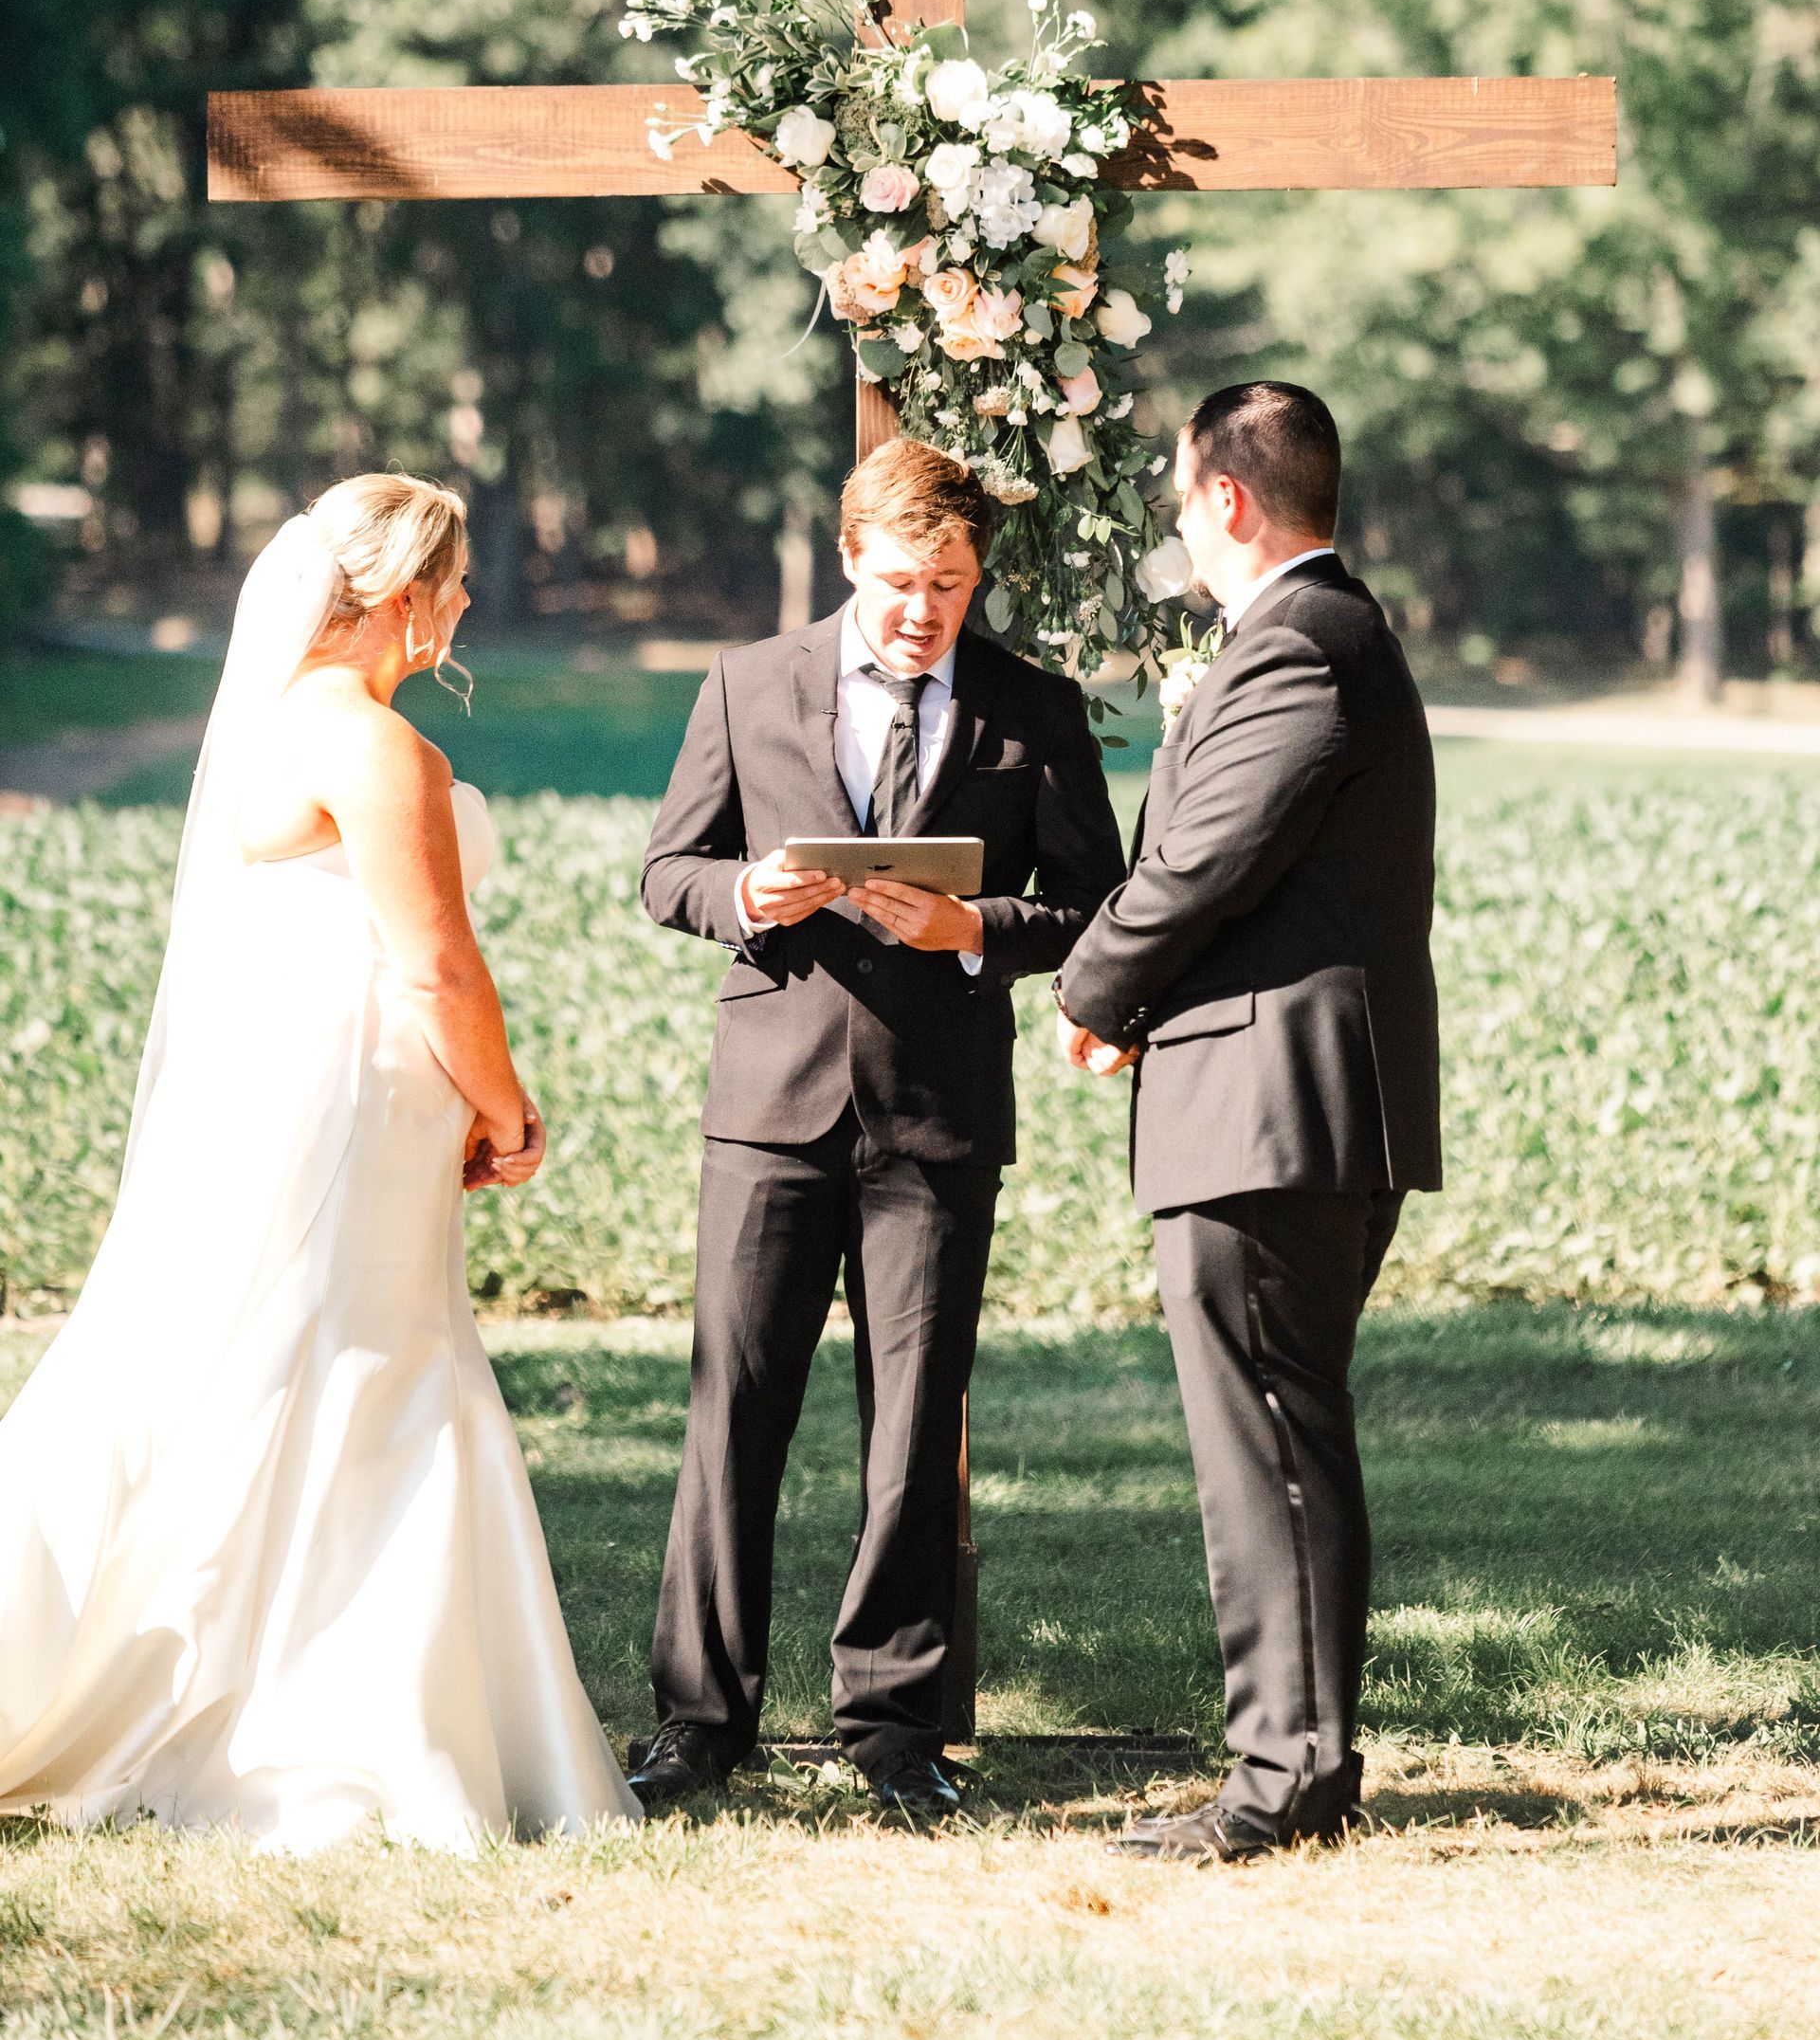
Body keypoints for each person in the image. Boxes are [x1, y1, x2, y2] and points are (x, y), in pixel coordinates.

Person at [0, 474, 639, 1852]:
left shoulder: (272, 727)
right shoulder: (374, 747)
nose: (464, 608)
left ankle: (240, 1682)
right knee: (369, 1365)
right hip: (367, 1106)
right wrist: (510, 1108)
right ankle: (335, 1717)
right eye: (455, 584)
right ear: (404, 599)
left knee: (271, 1363)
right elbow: (434, 961)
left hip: (311, 1098)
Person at [635, 438, 1124, 1824]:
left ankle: (897, 1731)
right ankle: (697, 1724)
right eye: (905, 582)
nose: (926, 610)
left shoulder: (1034, 708)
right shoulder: (746, 682)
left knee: (915, 1427)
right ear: (851, 558)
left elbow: (1103, 907)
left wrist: (976, 925)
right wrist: (750, 896)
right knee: (735, 1412)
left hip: (939, 1115)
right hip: (769, 1113)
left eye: (953, 586)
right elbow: (669, 871)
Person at [1057, 383, 1442, 1864]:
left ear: (1226, 497)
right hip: (1279, 1096)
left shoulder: (1301, 643)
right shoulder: (1315, 638)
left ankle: (1282, 1779)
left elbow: (1207, 857)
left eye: (1175, 488)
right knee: (1284, 1430)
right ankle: (1298, 1763)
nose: (1172, 513)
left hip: (1273, 1104)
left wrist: (1096, 989)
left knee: (1268, 1440)